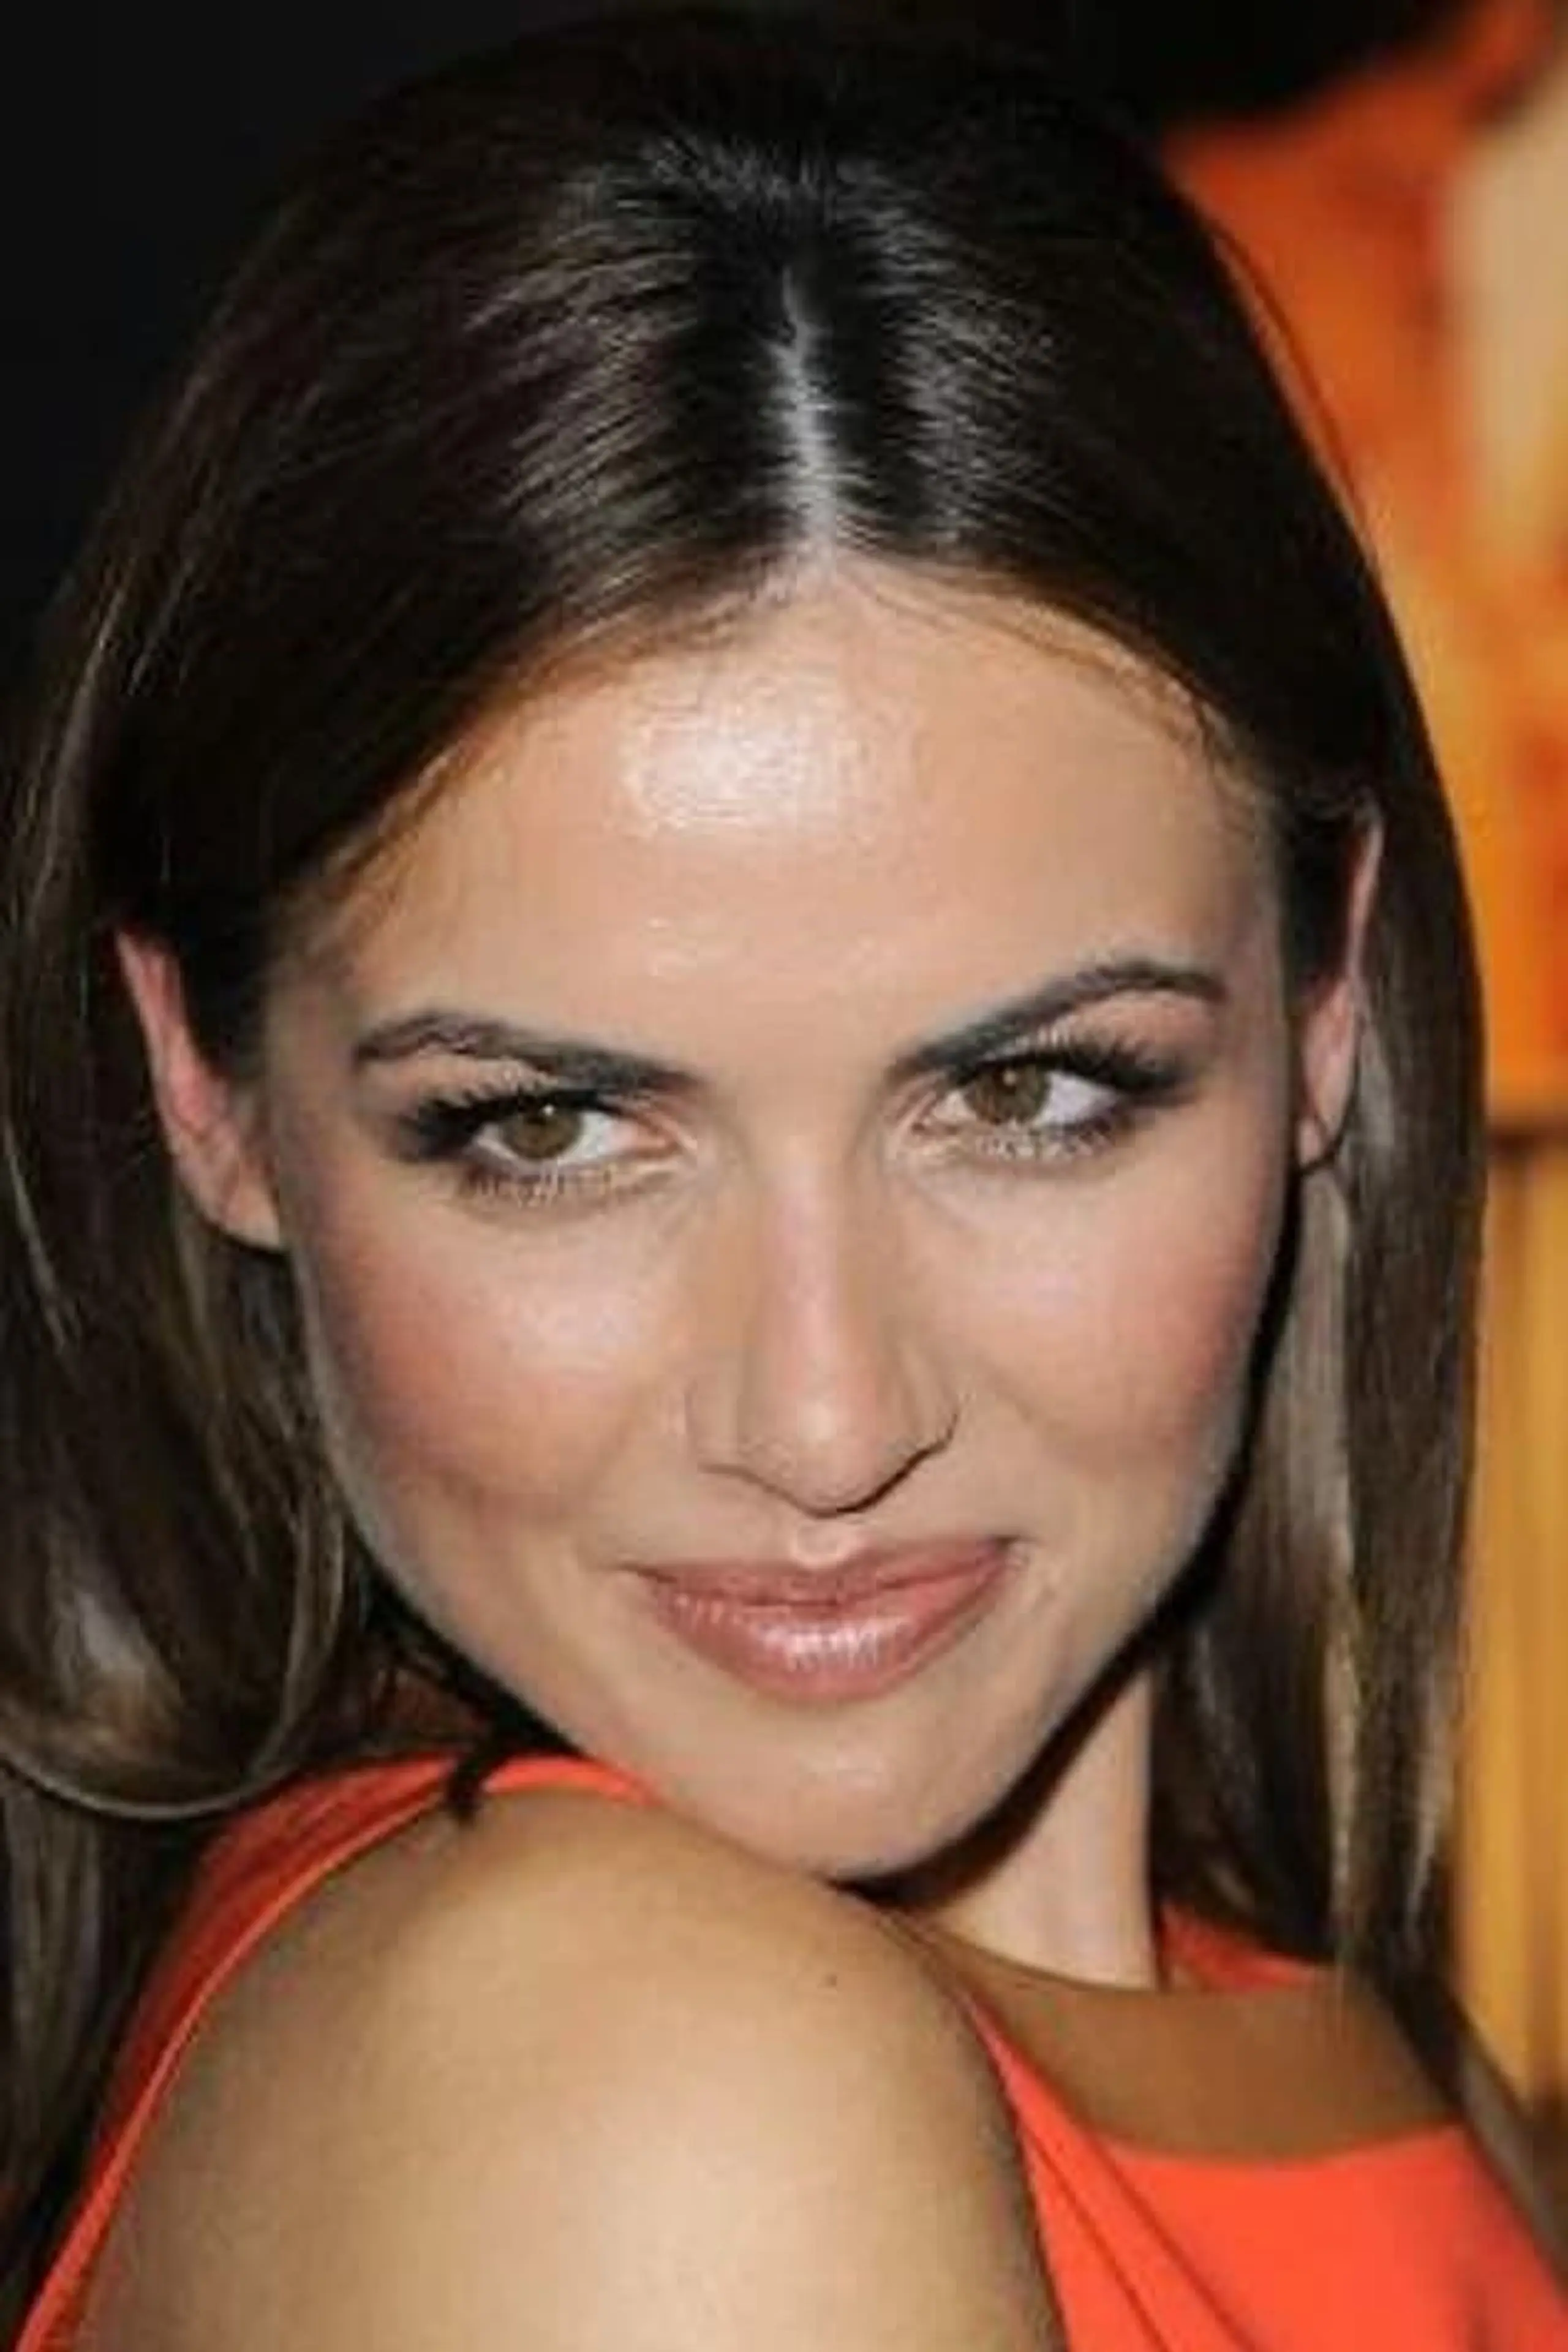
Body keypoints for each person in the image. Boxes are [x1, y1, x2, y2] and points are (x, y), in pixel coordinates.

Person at [1, 9, 1562, 2343]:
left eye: (1031, 1093)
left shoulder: (1396, 2079)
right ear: (205, 1087)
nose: (827, 1426)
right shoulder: (637, 2084)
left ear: (1327, 999)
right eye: (550, 1129)